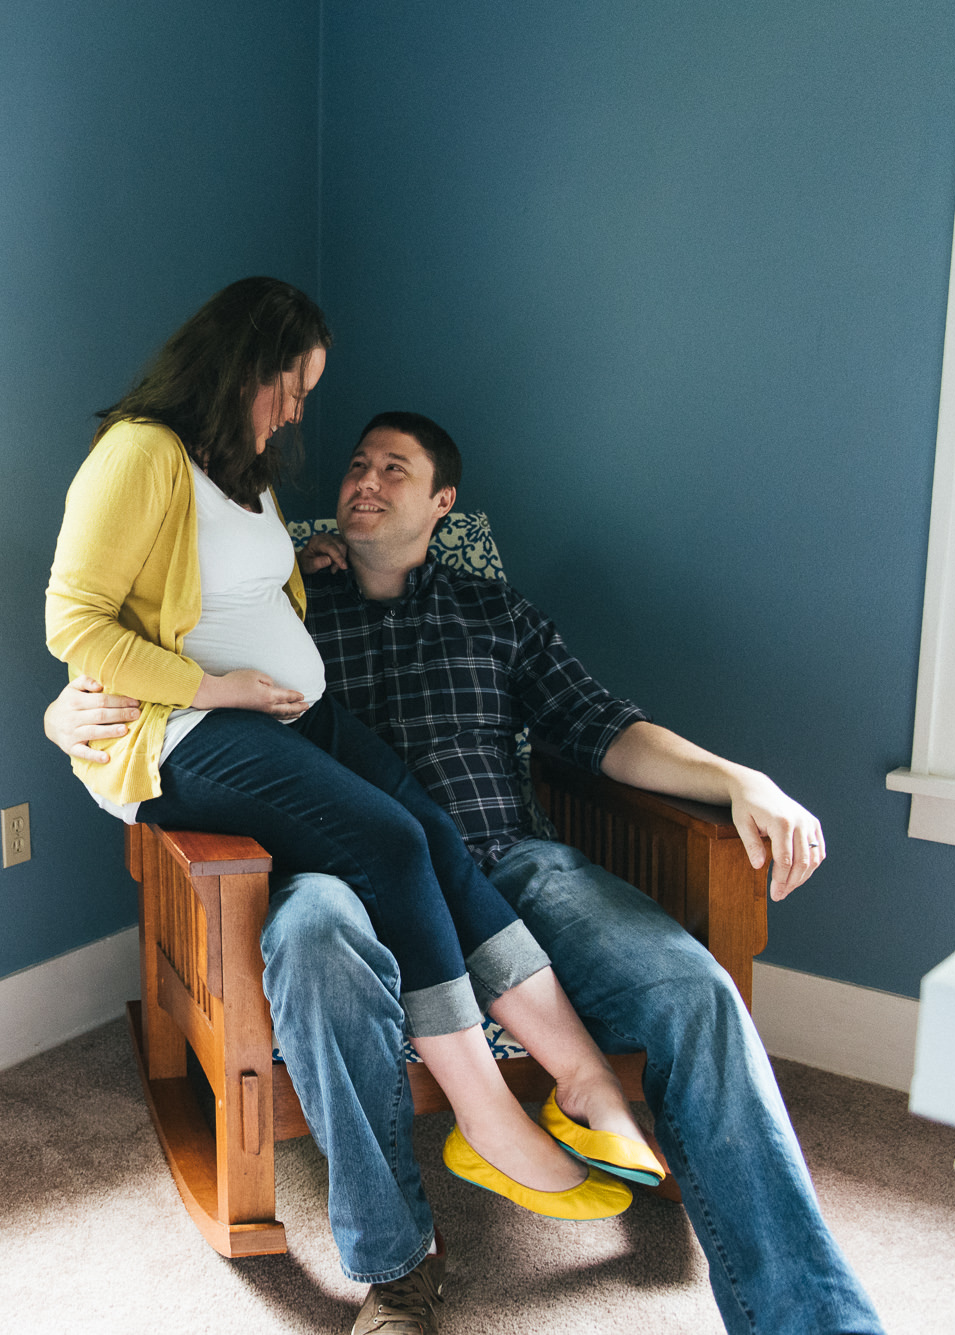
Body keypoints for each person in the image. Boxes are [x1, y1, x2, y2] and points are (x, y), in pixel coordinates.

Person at [45, 410, 883, 1335]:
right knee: (313, 938)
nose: (365, 480)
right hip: (335, 882)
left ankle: (811, 1319)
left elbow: (605, 728)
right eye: (357, 464)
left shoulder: (495, 612)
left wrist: (738, 780)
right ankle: (398, 1265)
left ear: (443, 502)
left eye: (395, 470)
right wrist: (65, 717)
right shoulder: (285, 612)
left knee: (698, 992)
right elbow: (143, 669)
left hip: (514, 866)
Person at [45, 278, 673, 1253]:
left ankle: (582, 1077)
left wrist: (315, 564)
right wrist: (223, 691)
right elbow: (73, 623)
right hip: (187, 735)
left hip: (295, 715)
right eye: (293, 385)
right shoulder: (137, 453)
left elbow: (244, 584)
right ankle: (484, 1116)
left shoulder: (240, 469)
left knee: (428, 829)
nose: (299, 409)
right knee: (386, 842)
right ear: (245, 365)